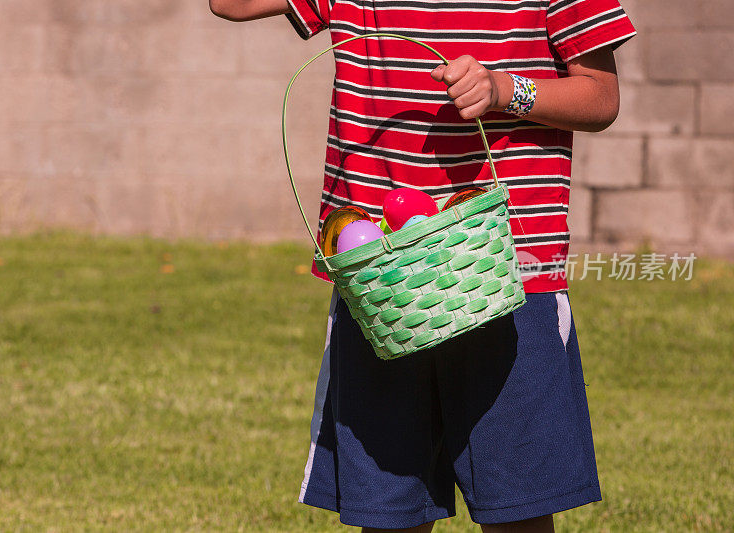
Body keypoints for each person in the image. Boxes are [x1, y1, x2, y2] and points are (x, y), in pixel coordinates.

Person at [211, 1, 636, 531]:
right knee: (389, 515)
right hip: (383, 284)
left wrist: (507, 91)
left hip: (506, 276)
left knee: (519, 514)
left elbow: (601, 96)